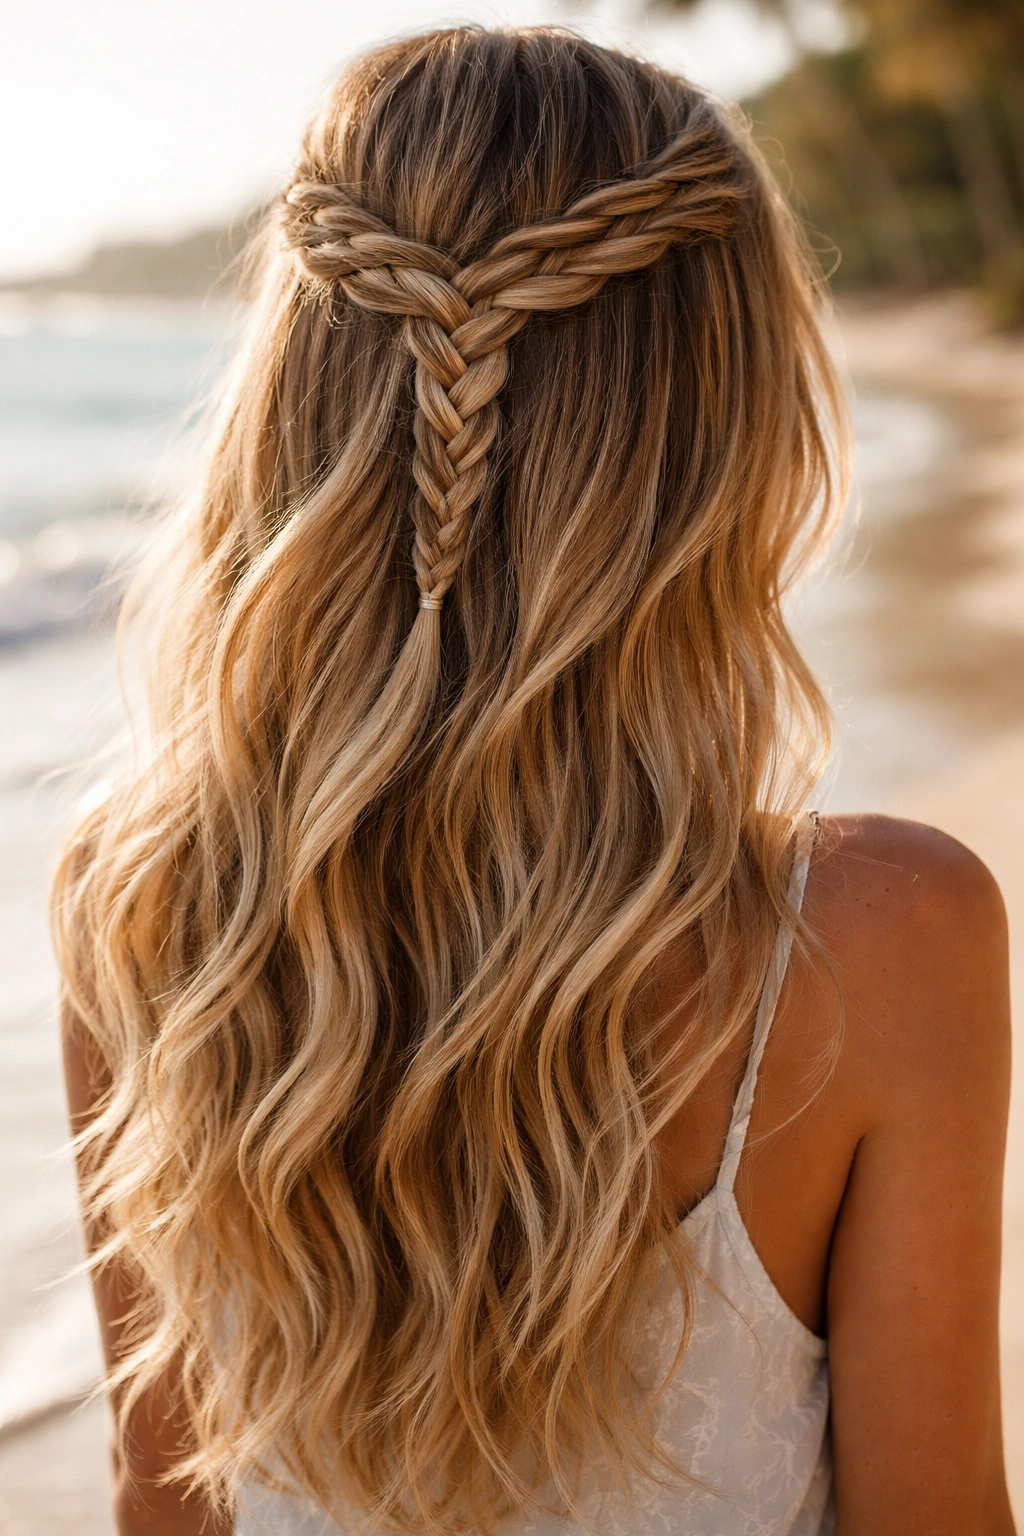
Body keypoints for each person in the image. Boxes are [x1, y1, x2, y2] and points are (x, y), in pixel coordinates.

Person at [55, 26, 1015, 1536]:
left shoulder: (148, 906)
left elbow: (161, 1496)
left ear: (293, 403)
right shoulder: (885, 934)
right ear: (728, 437)